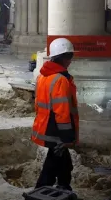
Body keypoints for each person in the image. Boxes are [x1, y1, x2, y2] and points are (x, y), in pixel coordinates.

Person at [32, 38, 79, 191]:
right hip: (56, 131)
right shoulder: (60, 80)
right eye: (70, 57)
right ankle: (41, 193)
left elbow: (38, 105)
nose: (71, 61)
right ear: (63, 58)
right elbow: (62, 112)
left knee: (63, 164)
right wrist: (67, 137)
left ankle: (64, 188)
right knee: (52, 166)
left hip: (45, 127)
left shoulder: (43, 76)